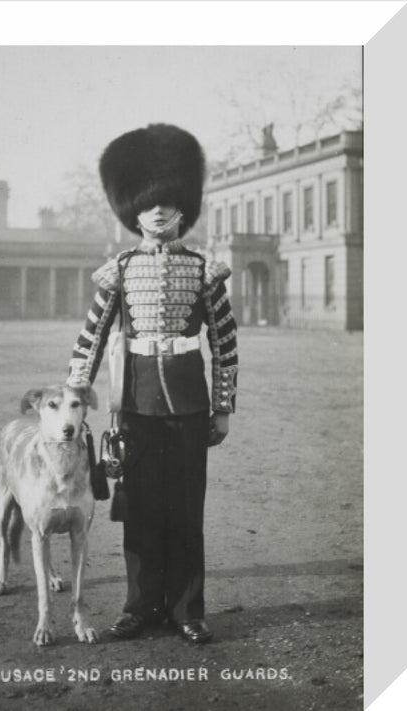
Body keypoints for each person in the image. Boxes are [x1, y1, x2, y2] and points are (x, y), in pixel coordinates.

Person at [66, 123, 238, 643]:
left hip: (188, 406)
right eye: (148, 204)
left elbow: (226, 344)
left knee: (186, 510)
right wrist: (76, 395)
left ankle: (188, 609)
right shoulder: (118, 269)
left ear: (183, 208)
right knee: (139, 511)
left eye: (168, 202)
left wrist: (223, 407)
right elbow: (91, 336)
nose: (158, 211)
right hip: (135, 406)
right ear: (132, 212)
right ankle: (139, 606)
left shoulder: (204, 270)